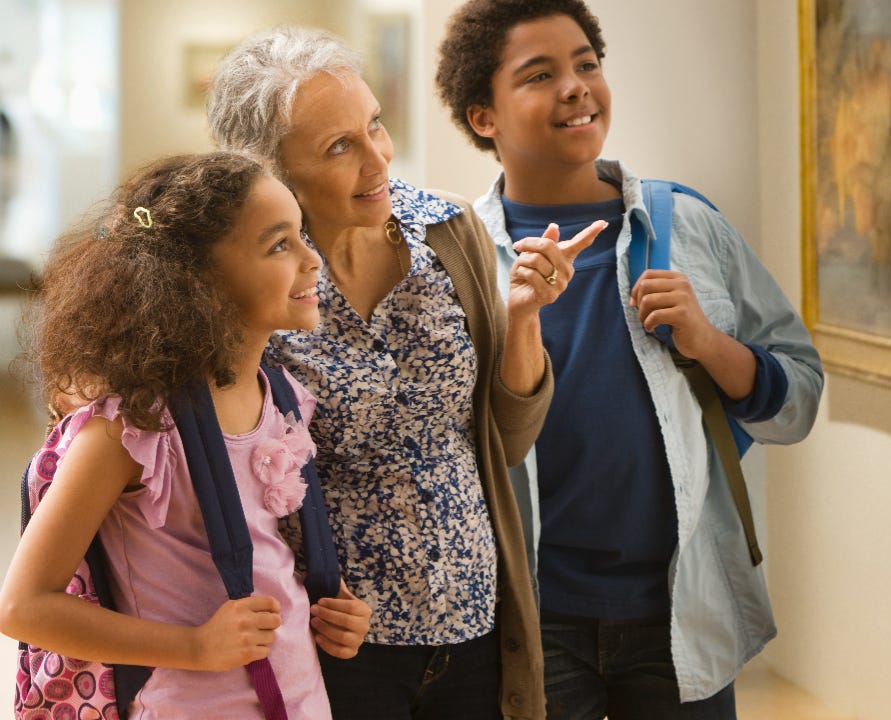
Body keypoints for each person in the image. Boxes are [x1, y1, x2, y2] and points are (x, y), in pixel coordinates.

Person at [435, 2, 825, 718]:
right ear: (483, 117)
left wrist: (711, 344)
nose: (578, 86)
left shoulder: (689, 226)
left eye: (587, 64)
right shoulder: (458, 261)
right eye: (541, 74)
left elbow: (799, 395)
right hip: (531, 619)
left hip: (681, 610)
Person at [207, 26, 601, 720]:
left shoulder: (449, 231)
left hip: (478, 617)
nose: (379, 159)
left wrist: (525, 315)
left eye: (376, 126)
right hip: (334, 642)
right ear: (271, 172)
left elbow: (505, 439)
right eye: (340, 147)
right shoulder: (248, 284)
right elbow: (222, 480)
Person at [0, 151, 372, 719]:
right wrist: (194, 647)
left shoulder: (283, 398)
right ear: (200, 282)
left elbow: (259, 552)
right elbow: (22, 606)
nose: (311, 259)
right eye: (279, 245)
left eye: (302, 236)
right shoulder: (133, 428)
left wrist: (327, 604)